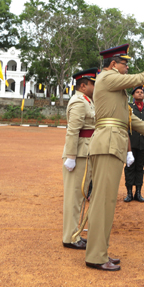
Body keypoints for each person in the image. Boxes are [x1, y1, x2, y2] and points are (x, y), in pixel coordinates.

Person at [85, 44, 144, 271]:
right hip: (108, 142)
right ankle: (96, 255)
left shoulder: (115, 87)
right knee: (103, 201)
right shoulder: (108, 77)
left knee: (107, 202)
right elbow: (140, 77)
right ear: (112, 64)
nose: (127, 67)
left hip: (113, 141)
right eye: (124, 63)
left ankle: (100, 250)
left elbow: (126, 119)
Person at [62, 68, 98, 249]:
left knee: (81, 196)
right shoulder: (78, 101)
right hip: (78, 154)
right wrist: (71, 157)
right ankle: (69, 237)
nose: (95, 85)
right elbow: (73, 131)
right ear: (83, 86)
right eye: (93, 83)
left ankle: (74, 233)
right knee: (73, 198)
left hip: (86, 152)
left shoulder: (87, 101)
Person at [124, 86, 144, 202]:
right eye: (137, 92)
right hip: (131, 143)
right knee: (130, 167)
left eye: (142, 92)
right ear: (133, 95)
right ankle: (129, 193)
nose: (140, 94)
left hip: (143, 143)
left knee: (140, 168)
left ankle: (138, 193)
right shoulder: (129, 107)